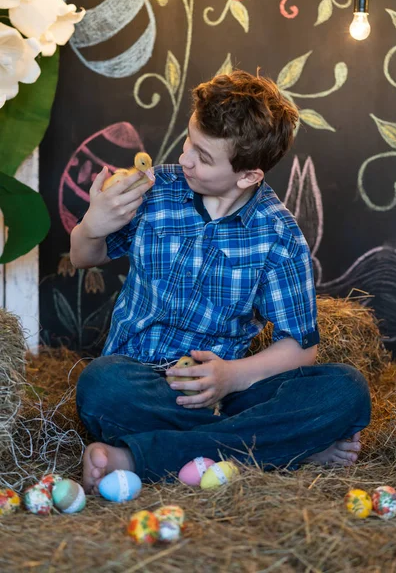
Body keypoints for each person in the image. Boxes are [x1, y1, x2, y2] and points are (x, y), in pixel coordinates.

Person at [70, 70, 371, 493]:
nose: (186, 158)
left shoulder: (278, 236)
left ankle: (139, 457)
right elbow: (84, 257)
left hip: (227, 392)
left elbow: (300, 346)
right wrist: (91, 225)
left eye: (205, 157)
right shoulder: (156, 189)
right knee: (100, 384)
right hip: (142, 382)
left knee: (346, 390)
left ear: (249, 175)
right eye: (190, 140)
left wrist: (232, 376)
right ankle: (279, 451)